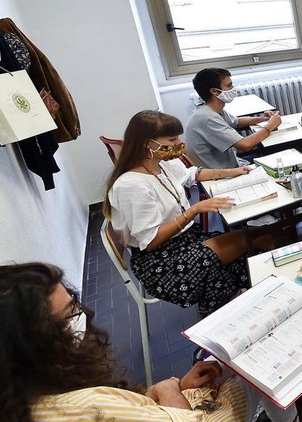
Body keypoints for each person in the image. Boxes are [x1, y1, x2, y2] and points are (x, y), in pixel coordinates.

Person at [0, 262, 302, 422]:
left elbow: (128, 421)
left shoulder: (20, 412)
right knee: (249, 359)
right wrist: (168, 390)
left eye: (74, 302)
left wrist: (168, 390)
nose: (80, 315)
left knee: (218, 362)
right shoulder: (83, 415)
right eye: (69, 314)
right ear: (33, 345)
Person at [105, 110, 258, 317]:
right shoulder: (131, 186)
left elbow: (191, 175)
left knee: (251, 242)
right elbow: (150, 241)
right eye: (172, 139)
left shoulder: (161, 164)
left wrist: (232, 172)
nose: (179, 143)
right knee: (252, 241)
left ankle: (231, 303)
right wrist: (193, 210)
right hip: (162, 261)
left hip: (186, 239)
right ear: (148, 143)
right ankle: (220, 311)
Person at [184, 67, 282, 169]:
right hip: (223, 172)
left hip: (232, 163)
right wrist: (270, 126)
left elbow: (236, 121)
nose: (233, 88)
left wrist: (263, 119)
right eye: (229, 85)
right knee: (276, 158)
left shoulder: (211, 109)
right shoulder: (208, 118)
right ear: (215, 91)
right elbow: (246, 145)